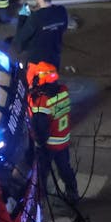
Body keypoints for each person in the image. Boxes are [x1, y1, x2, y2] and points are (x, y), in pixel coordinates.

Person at [27, 62, 79, 207]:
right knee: (64, 169)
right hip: (63, 140)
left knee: (41, 174)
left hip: (49, 145)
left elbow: (40, 128)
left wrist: (39, 144)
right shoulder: (62, 90)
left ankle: (38, 202)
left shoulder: (42, 101)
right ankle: (73, 193)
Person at [13, 0, 68, 69]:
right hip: (54, 59)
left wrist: (22, 17)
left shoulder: (35, 18)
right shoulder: (61, 11)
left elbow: (20, 41)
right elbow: (63, 28)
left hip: (37, 63)